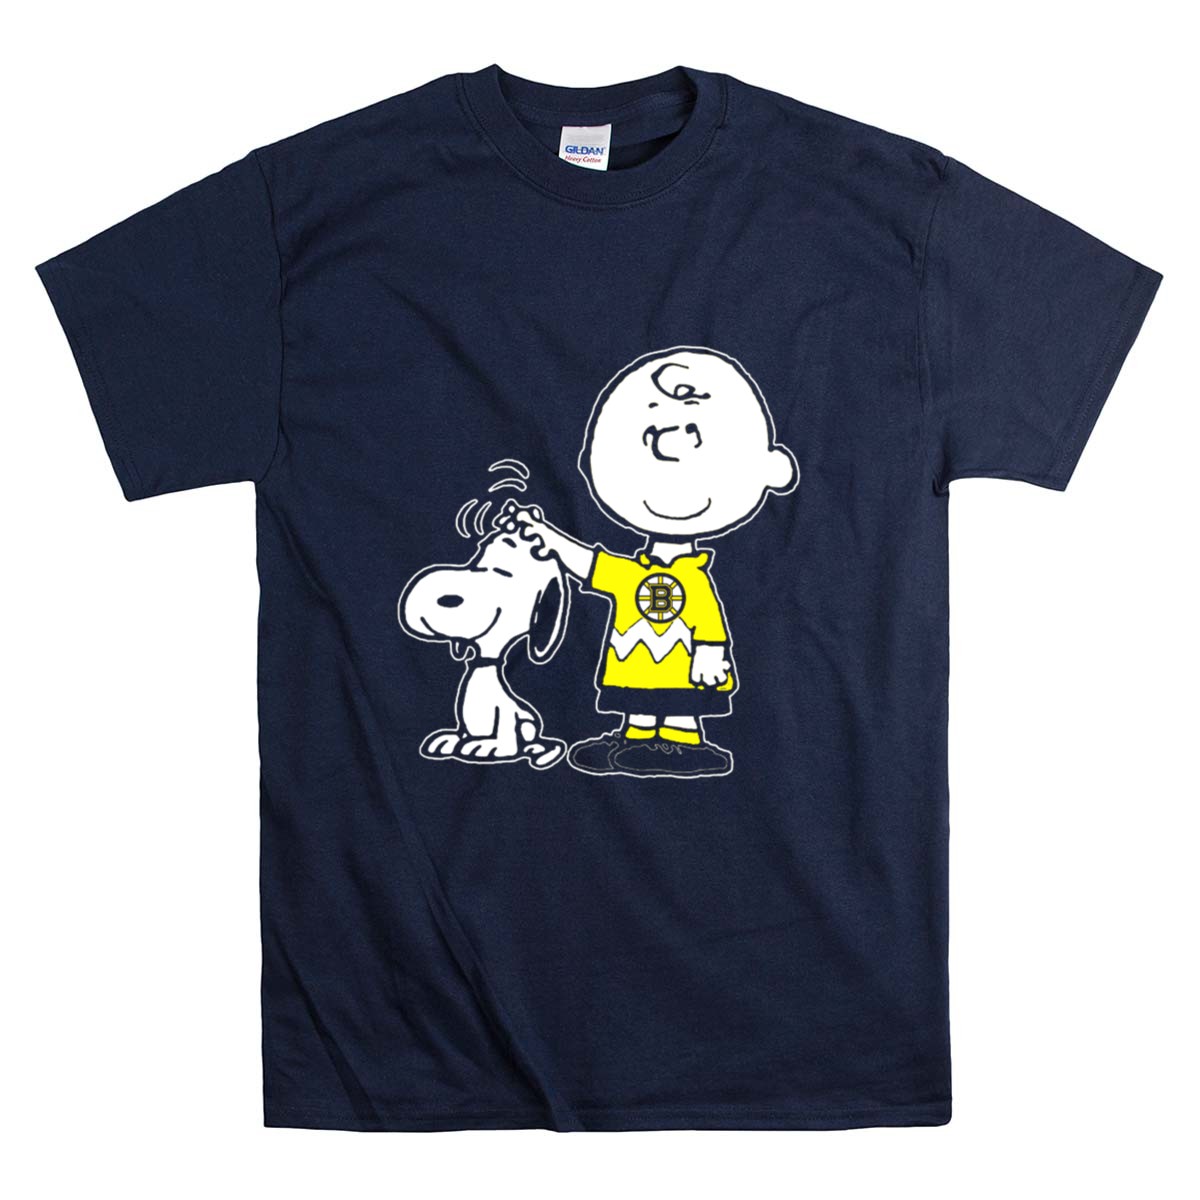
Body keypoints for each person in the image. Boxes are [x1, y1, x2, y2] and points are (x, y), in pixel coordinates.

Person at [502, 346, 798, 778]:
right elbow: (589, 564)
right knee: (636, 706)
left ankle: (683, 743)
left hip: (681, 667)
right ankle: (636, 738)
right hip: (634, 664)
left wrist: (710, 654)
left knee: (680, 709)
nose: (670, 449)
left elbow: (707, 618)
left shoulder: (692, 580)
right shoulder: (630, 573)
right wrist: (546, 536)